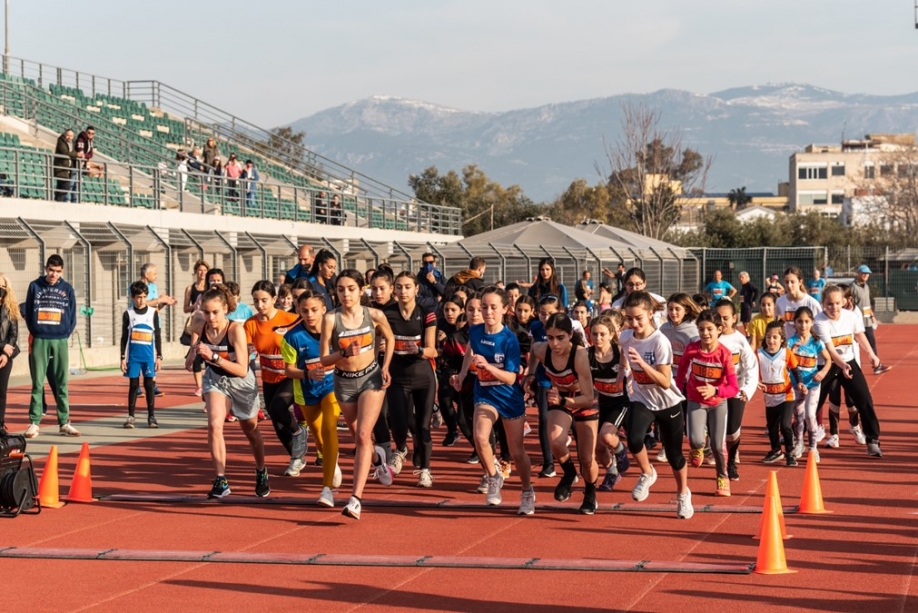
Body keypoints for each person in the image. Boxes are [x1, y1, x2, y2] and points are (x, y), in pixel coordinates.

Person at [319, 269, 395, 520]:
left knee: (363, 434)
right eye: (340, 289)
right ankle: (378, 459)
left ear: (361, 290)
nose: (345, 294)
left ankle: (355, 499)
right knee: (357, 436)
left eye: (351, 289)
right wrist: (343, 354)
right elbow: (323, 359)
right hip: (344, 382)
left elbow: (390, 337)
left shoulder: (374, 314)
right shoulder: (330, 319)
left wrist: (384, 366)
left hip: (371, 379)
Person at [452, 287, 536, 516]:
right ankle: (493, 476)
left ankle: (527, 491)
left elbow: (511, 378)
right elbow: (471, 348)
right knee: (480, 437)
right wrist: (461, 375)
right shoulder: (476, 331)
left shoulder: (509, 339)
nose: (487, 312)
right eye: (483, 307)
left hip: (509, 397)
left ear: (504, 310)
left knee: (517, 452)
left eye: (492, 307)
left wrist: (487, 367)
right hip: (485, 394)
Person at [186, 284, 268, 498]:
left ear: (225, 310)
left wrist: (213, 357)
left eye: (215, 312)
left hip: (241, 383)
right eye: (206, 312)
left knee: (250, 430)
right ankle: (221, 480)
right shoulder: (199, 322)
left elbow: (242, 369)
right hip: (216, 380)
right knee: (214, 424)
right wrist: (192, 352)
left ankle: (261, 470)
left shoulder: (235, 330)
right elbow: (194, 333)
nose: (211, 317)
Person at [620, 291, 693, 519]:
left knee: (674, 455)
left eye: (639, 318)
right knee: (633, 439)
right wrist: (625, 374)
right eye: (630, 319)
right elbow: (624, 356)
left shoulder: (660, 341)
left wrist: (642, 364)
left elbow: (663, 381)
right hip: (642, 399)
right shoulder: (625, 337)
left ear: (651, 314)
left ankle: (683, 494)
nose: (634, 324)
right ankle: (647, 473)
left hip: (668, 402)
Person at [527, 313, 598, 514]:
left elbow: (588, 396)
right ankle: (569, 473)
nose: (555, 343)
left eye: (560, 338)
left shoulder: (580, 355)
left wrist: (563, 400)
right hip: (562, 398)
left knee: (587, 458)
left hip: (584, 400)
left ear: (570, 335)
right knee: (556, 441)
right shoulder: (542, 350)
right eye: (550, 338)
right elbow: (533, 350)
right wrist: (531, 374)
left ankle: (590, 493)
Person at [282, 290, 343, 506]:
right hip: (307, 392)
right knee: (318, 436)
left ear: (324, 309)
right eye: (304, 310)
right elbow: (289, 370)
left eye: (314, 310)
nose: (309, 314)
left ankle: (326, 489)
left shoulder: (336, 330)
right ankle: (331, 462)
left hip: (332, 387)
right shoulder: (292, 337)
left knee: (329, 427)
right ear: (298, 310)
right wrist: (308, 373)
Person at [814, 285, 884, 457]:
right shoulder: (819, 321)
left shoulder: (851, 316)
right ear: (823, 304)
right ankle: (800, 440)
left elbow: (859, 334)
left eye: (837, 303)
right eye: (830, 304)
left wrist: (871, 354)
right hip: (828, 365)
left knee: (865, 400)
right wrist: (842, 365)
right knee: (813, 403)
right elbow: (830, 350)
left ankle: (873, 440)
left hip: (849, 362)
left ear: (843, 302)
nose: (834, 307)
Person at [676, 309, 738, 497]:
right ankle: (697, 448)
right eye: (701, 329)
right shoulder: (692, 349)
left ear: (719, 329)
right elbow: (681, 371)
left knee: (718, 446)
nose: (705, 334)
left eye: (710, 329)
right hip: (695, 399)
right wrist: (678, 391)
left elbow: (734, 388)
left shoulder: (725, 355)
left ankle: (722, 477)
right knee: (695, 440)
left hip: (718, 402)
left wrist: (716, 390)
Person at [384, 272, 438, 487]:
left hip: (423, 376)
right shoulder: (385, 313)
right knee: (398, 423)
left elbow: (433, 350)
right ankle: (401, 449)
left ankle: (425, 469)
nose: (403, 291)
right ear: (394, 290)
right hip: (397, 377)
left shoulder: (427, 313)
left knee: (423, 426)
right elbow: (378, 340)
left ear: (417, 289)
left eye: (408, 286)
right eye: (399, 286)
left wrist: (419, 349)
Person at [23, 254, 80, 438]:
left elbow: (72, 316)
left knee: (62, 382)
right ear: (46, 268)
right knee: (37, 383)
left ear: (62, 271)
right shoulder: (35, 286)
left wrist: (64, 333)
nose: (54, 274)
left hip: (60, 339)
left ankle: (64, 422)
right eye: (51, 270)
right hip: (40, 338)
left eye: (57, 271)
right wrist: (36, 331)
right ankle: (34, 422)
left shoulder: (67, 289)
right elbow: (29, 311)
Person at [713, 299, 758, 482]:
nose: (722, 322)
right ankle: (722, 467)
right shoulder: (710, 338)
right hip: (714, 392)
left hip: (736, 390)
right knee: (718, 433)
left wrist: (747, 390)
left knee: (732, 431)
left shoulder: (740, 340)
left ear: (734, 318)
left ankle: (731, 461)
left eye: (725, 318)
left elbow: (751, 367)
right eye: (718, 317)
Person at [590, 312, 631, 492]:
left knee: (606, 436)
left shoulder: (620, 352)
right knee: (598, 448)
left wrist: (626, 372)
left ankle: (621, 450)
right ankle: (612, 472)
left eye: (602, 334)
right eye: (594, 334)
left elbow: (630, 373)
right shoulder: (586, 355)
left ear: (612, 335)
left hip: (619, 403)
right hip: (599, 403)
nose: (598, 338)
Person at [788, 306, 832, 464]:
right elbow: (785, 363)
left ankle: (813, 447)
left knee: (809, 415)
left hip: (812, 384)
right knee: (798, 417)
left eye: (807, 321)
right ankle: (799, 444)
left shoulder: (816, 342)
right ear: (795, 323)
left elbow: (828, 360)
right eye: (800, 321)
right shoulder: (790, 342)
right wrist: (791, 353)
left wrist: (823, 372)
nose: (803, 325)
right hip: (796, 386)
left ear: (812, 322)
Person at [758, 321, 805, 466]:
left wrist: (800, 383)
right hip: (769, 397)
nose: (771, 340)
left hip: (786, 395)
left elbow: (796, 370)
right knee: (771, 427)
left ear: (782, 339)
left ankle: (790, 453)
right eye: (768, 337)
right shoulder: (758, 354)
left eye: (775, 337)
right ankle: (776, 450)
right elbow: (751, 371)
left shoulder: (786, 353)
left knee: (785, 425)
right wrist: (755, 382)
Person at [120, 281, 162, 428]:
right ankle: (131, 416)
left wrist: (159, 356)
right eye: (138, 297)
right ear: (132, 297)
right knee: (133, 386)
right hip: (133, 357)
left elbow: (157, 335)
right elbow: (124, 337)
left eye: (144, 297)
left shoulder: (152, 313)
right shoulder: (128, 314)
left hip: (149, 357)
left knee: (149, 385)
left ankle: (151, 416)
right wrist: (122, 358)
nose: (141, 300)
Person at [135, 263, 176, 398]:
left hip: (154, 323)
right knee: (139, 355)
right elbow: (142, 304)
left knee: (153, 355)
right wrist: (159, 299)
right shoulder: (137, 287)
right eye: (154, 273)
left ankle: (152, 385)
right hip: (141, 324)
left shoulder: (153, 287)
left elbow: (154, 307)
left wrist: (164, 302)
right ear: (147, 275)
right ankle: (136, 386)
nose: (156, 276)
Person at [850, 265, 892, 375]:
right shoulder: (853, 287)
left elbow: (867, 304)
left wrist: (872, 317)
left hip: (867, 321)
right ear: (858, 273)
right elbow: (849, 305)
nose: (865, 275)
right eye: (863, 273)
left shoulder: (866, 287)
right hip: (857, 323)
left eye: (867, 273)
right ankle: (852, 369)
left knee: (871, 343)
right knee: (855, 346)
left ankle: (877, 366)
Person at [183, 259, 210, 396]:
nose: (202, 273)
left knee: (208, 354)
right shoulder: (190, 288)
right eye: (200, 270)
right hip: (196, 321)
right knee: (195, 353)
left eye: (205, 270)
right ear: (195, 271)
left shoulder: (210, 288)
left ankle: (208, 383)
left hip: (210, 322)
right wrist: (195, 306)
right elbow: (185, 308)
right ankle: (199, 386)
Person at [775, 267, 822, 340]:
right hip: (788, 345)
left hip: (807, 346)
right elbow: (776, 325)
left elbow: (819, 326)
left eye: (792, 282)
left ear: (800, 282)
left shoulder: (812, 303)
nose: (789, 285)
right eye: (786, 282)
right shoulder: (779, 302)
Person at [0, 273, 21, 435]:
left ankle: (0, 424)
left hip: (5, 356)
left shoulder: (10, 308)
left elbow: (13, 334)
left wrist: (6, 353)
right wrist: (2, 346)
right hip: (2, 349)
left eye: (3, 286)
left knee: (1, 391)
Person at [53, 129, 78, 203]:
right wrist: (76, 155)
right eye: (68, 135)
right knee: (66, 186)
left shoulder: (72, 143)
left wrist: (74, 154)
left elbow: (72, 152)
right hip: (61, 167)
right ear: (64, 135)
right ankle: (59, 201)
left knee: (60, 186)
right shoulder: (61, 141)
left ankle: (57, 201)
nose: (69, 137)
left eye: (71, 136)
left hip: (68, 169)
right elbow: (65, 152)